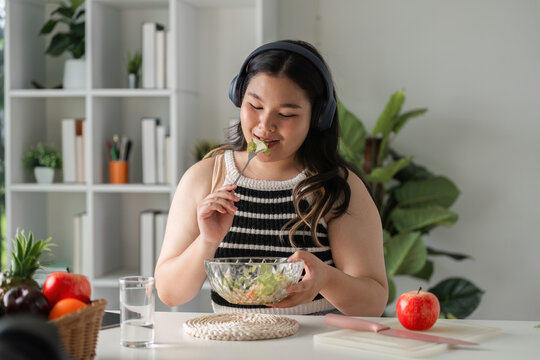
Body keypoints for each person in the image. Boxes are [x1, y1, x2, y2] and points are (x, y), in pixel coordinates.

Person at [155, 40, 388, 316]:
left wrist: (325, 279)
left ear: (317, 118)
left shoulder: (335, 187)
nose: (265, 126)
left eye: (286, 114)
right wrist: (206, 242)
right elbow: (170, 293)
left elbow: (373, 302)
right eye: (255, 106)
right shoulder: (206, 177)